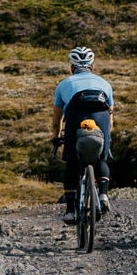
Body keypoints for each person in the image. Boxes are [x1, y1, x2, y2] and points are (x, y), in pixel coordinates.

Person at [51, 46, 114, 224]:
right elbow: (110, 118)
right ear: (92, 67)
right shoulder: (105, 84)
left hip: (74, 118)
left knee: (72, 162)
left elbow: (57, 120)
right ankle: (102, 195)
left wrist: (56, 138)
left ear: (71, 67)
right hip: (101, 119)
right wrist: (107, 140)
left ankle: (71, 210)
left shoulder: (64, 84)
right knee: (101, 159)